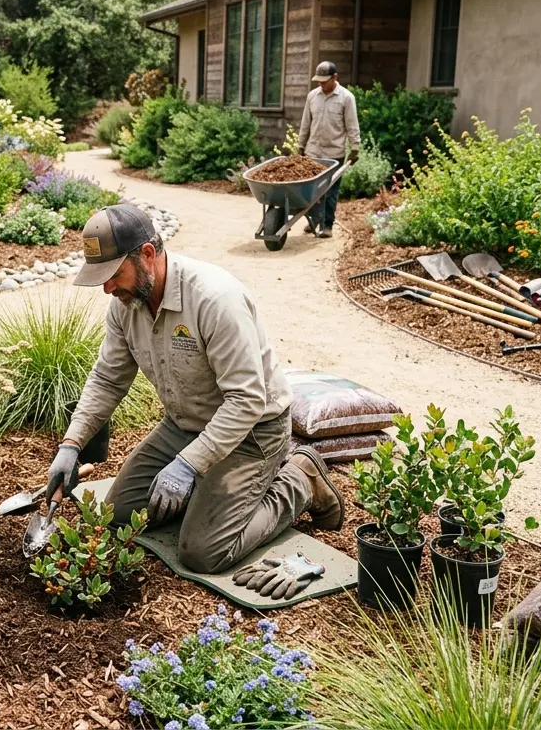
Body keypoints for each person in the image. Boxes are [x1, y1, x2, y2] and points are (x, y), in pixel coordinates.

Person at [45, 204, 345, 577]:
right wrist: (70, 446)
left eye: (112, 274)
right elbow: (108, 378)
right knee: (117, 520)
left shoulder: (214, 299)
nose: (107, 288)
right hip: (184, 426)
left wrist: (188, 464)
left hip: (252, 432)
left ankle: (301, 479)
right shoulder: (127, 304)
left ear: (148, 255)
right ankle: (207, 487)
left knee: (204, 552)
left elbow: (247, 399)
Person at [298, 60, 360, 239]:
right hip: (313, 152)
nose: (321, 84)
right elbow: (305, 124)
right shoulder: (312, 96)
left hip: (334, 154)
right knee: (311, 191)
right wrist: (301, 146)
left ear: (335, 78)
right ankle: (315, 219)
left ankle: (327, 226)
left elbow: (352, 125)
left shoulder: (346, 98)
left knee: (330, 192)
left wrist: (355, 147)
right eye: (319, 81)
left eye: (324, 81)